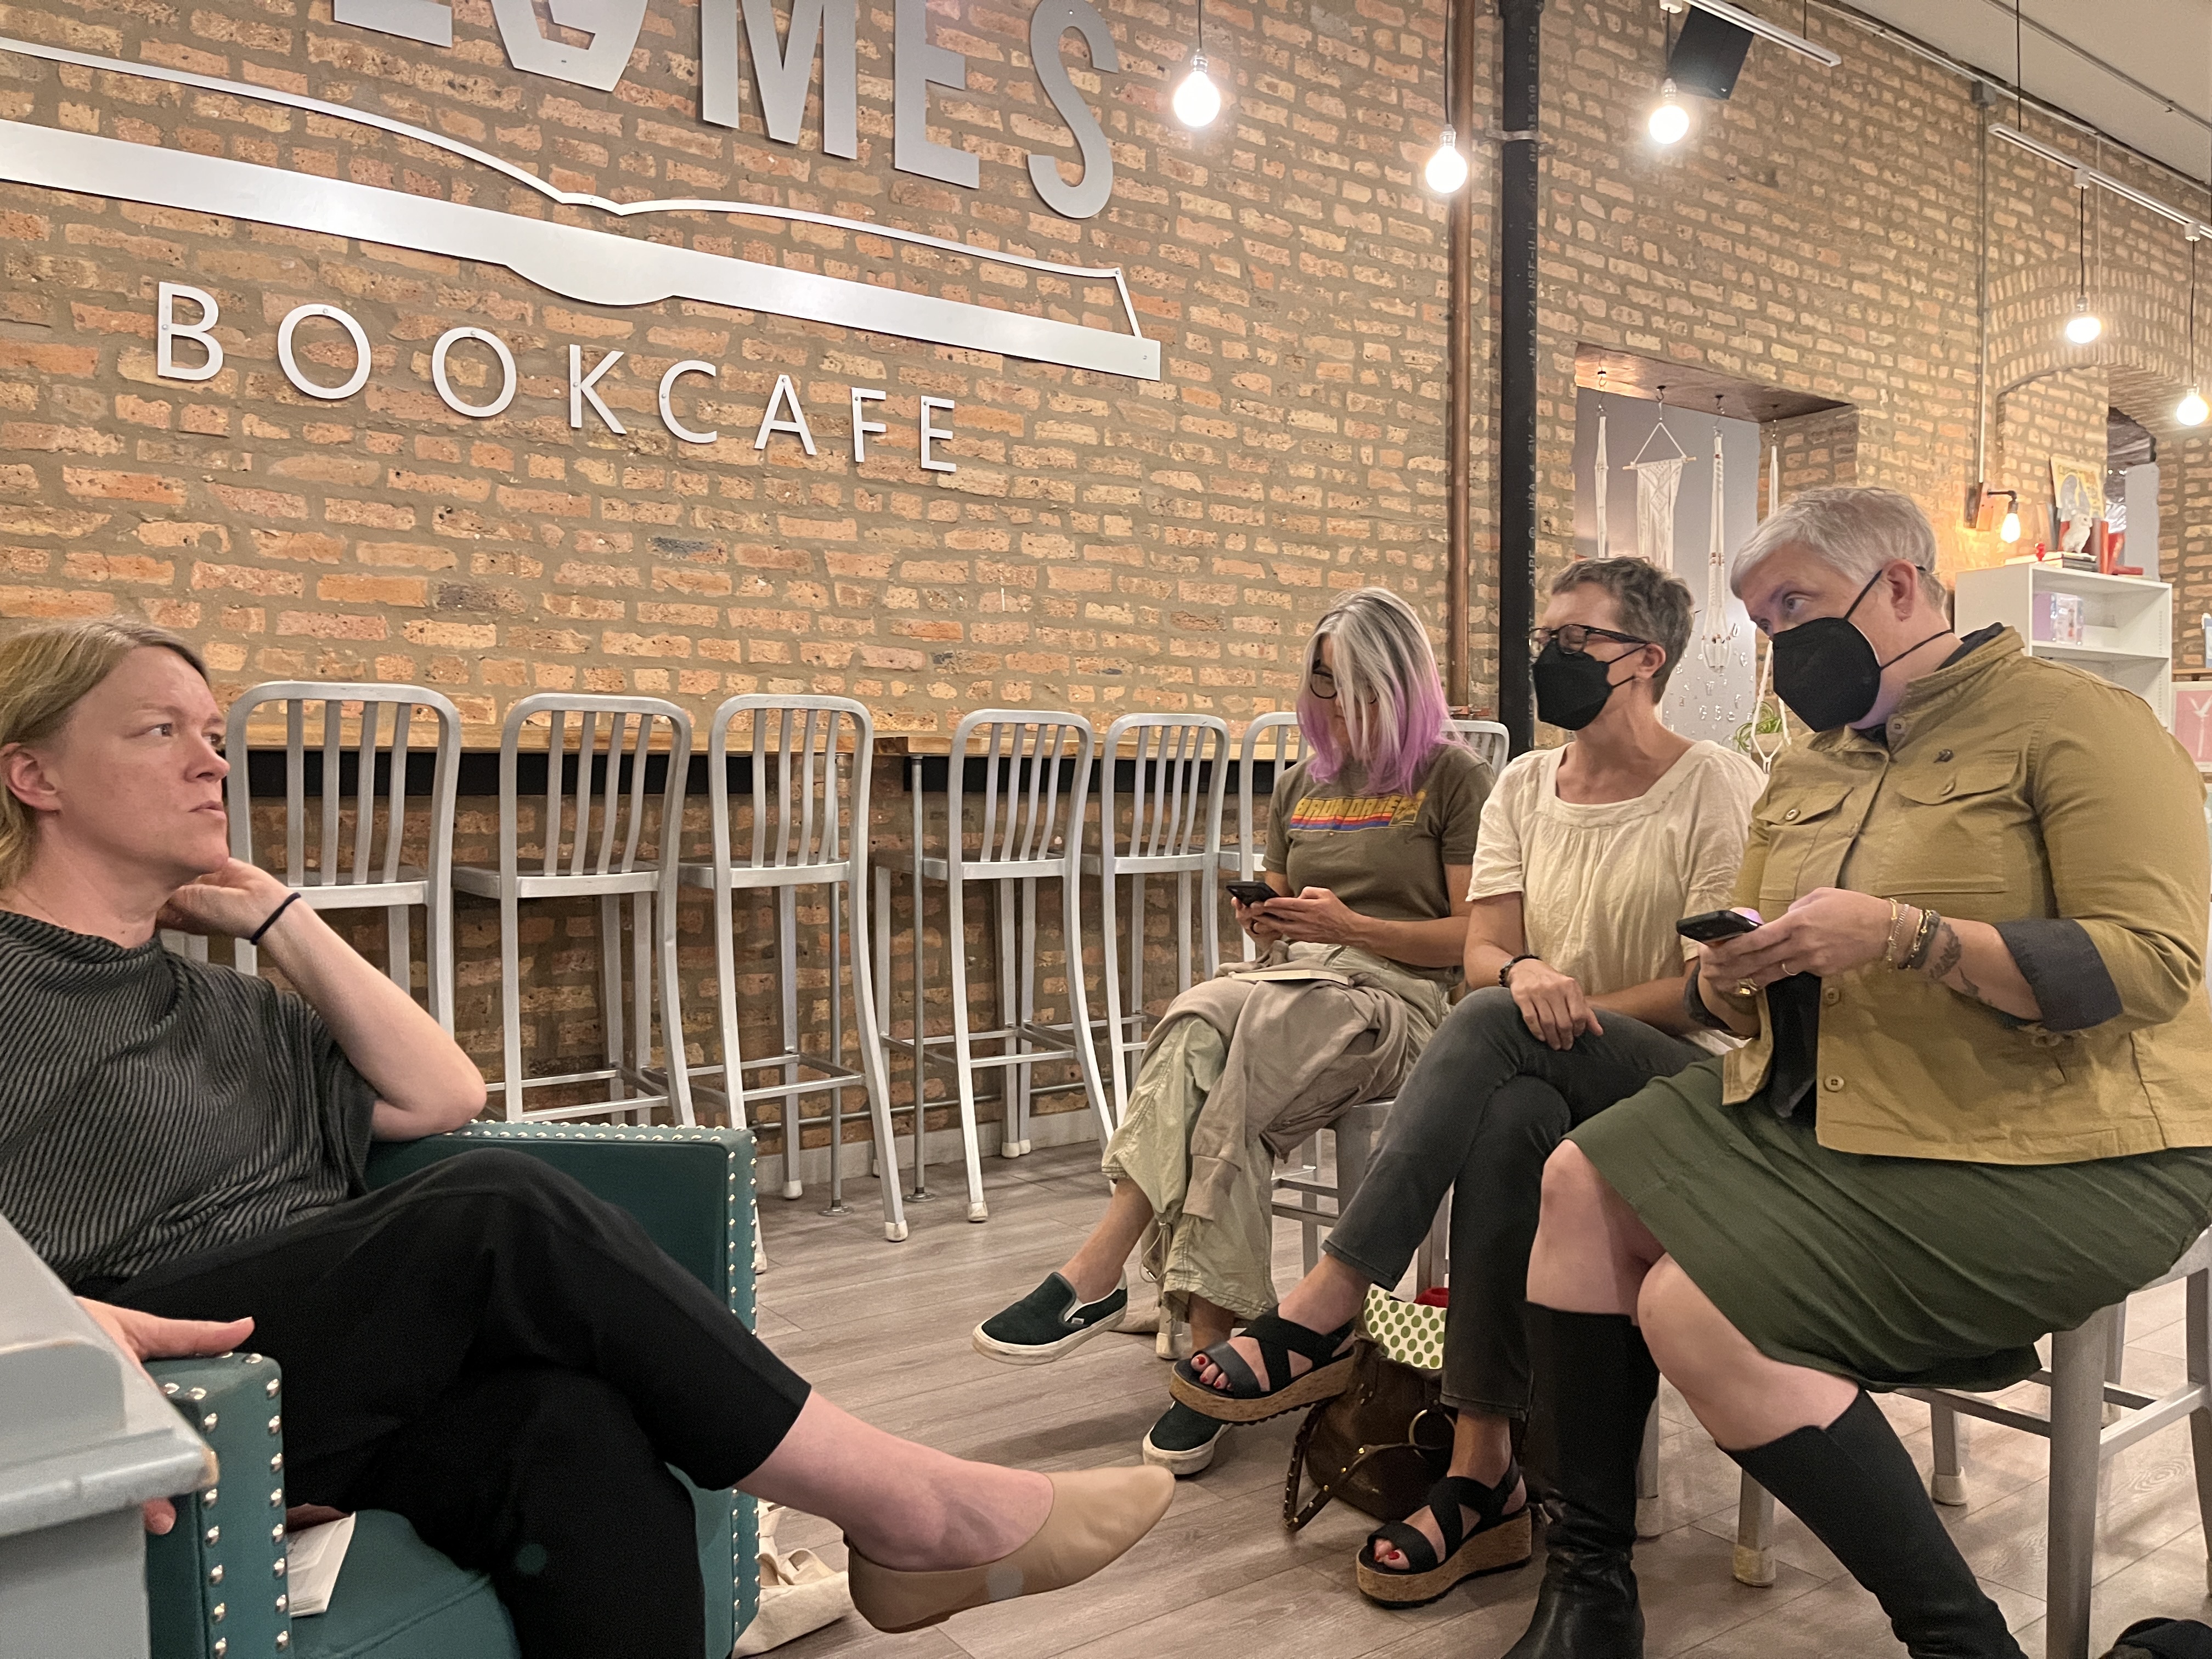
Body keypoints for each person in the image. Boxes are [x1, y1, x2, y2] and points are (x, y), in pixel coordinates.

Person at [0, 619, 1173, 1659]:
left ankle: (910, 1521)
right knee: (496, 1207)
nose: (213, 759)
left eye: (213, 730)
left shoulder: (230, 1001)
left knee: (578, 1437)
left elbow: (440, 1095)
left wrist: (278, 918)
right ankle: (915, 1512)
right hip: (133, 1372)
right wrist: (56, 1323)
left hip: (321, 1374)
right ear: (32, 773)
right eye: (161, 731)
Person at [1502, 487, 2212, 1659]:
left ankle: (1959, 1641)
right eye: (1761, 623)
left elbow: (2154, 966)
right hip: (1829, 1107)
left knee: (1693, 1303)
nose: (1781, 645)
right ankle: (1589, 1592)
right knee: (1577, 1178)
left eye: (1797, 607)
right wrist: (1742, 970)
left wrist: (1909, 935)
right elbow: (1766, 968)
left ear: (1899, 583)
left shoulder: (2075, 723)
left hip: (2073, 1137)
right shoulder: (1806, 767)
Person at [1170, 557, 1763, 1605]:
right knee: (1512, 1117)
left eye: (1578, 642)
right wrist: (1529, 985)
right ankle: (1481, 1474)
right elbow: (1490, 951)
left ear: (1646, 661)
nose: (1551, 658)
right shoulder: (1528, 785)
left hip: (1684, 1081)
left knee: (1501, 1034)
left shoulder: (1714, 781)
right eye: (1548, 638)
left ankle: (1333, 1294)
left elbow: (1711, 990)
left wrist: (1552, 1010)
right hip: (1543, 1064)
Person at [970, 586, 1493, 1476]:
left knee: (1251, 1047)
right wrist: (1272, 923)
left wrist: (1352, 929)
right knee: (1193, 1018)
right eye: (1323, 683)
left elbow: (1475, 942)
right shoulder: (1299, 782)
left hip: (1398, 999)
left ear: (1403, 683)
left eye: (1356, 685)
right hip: (1292, 979)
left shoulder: (1449, 778)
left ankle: (1191, 1330)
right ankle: (1122, 1286)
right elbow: (1288, 925)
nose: (1335, 705)